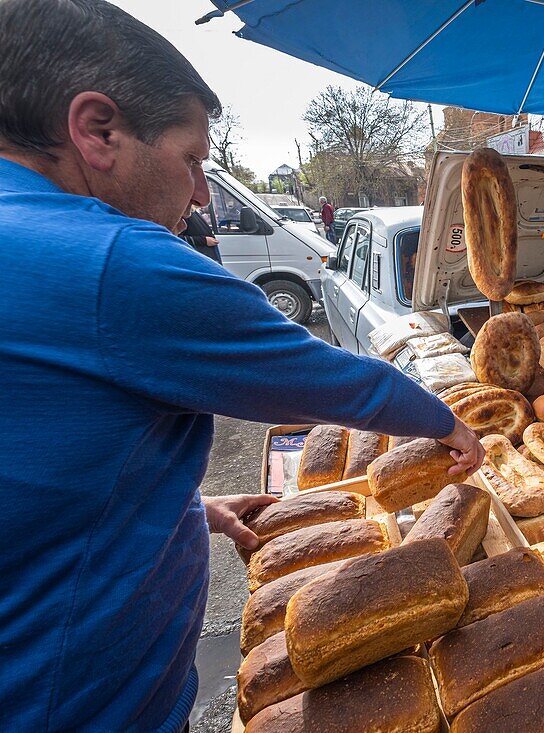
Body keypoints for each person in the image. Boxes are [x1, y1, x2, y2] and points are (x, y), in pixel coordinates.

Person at [0, 2, 483, 731]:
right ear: (97, 130)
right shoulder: (110, 262)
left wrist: (181, 510)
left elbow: (36, 464)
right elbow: (326, 375)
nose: (201, 193)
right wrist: (447, 423)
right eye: (192, 159)